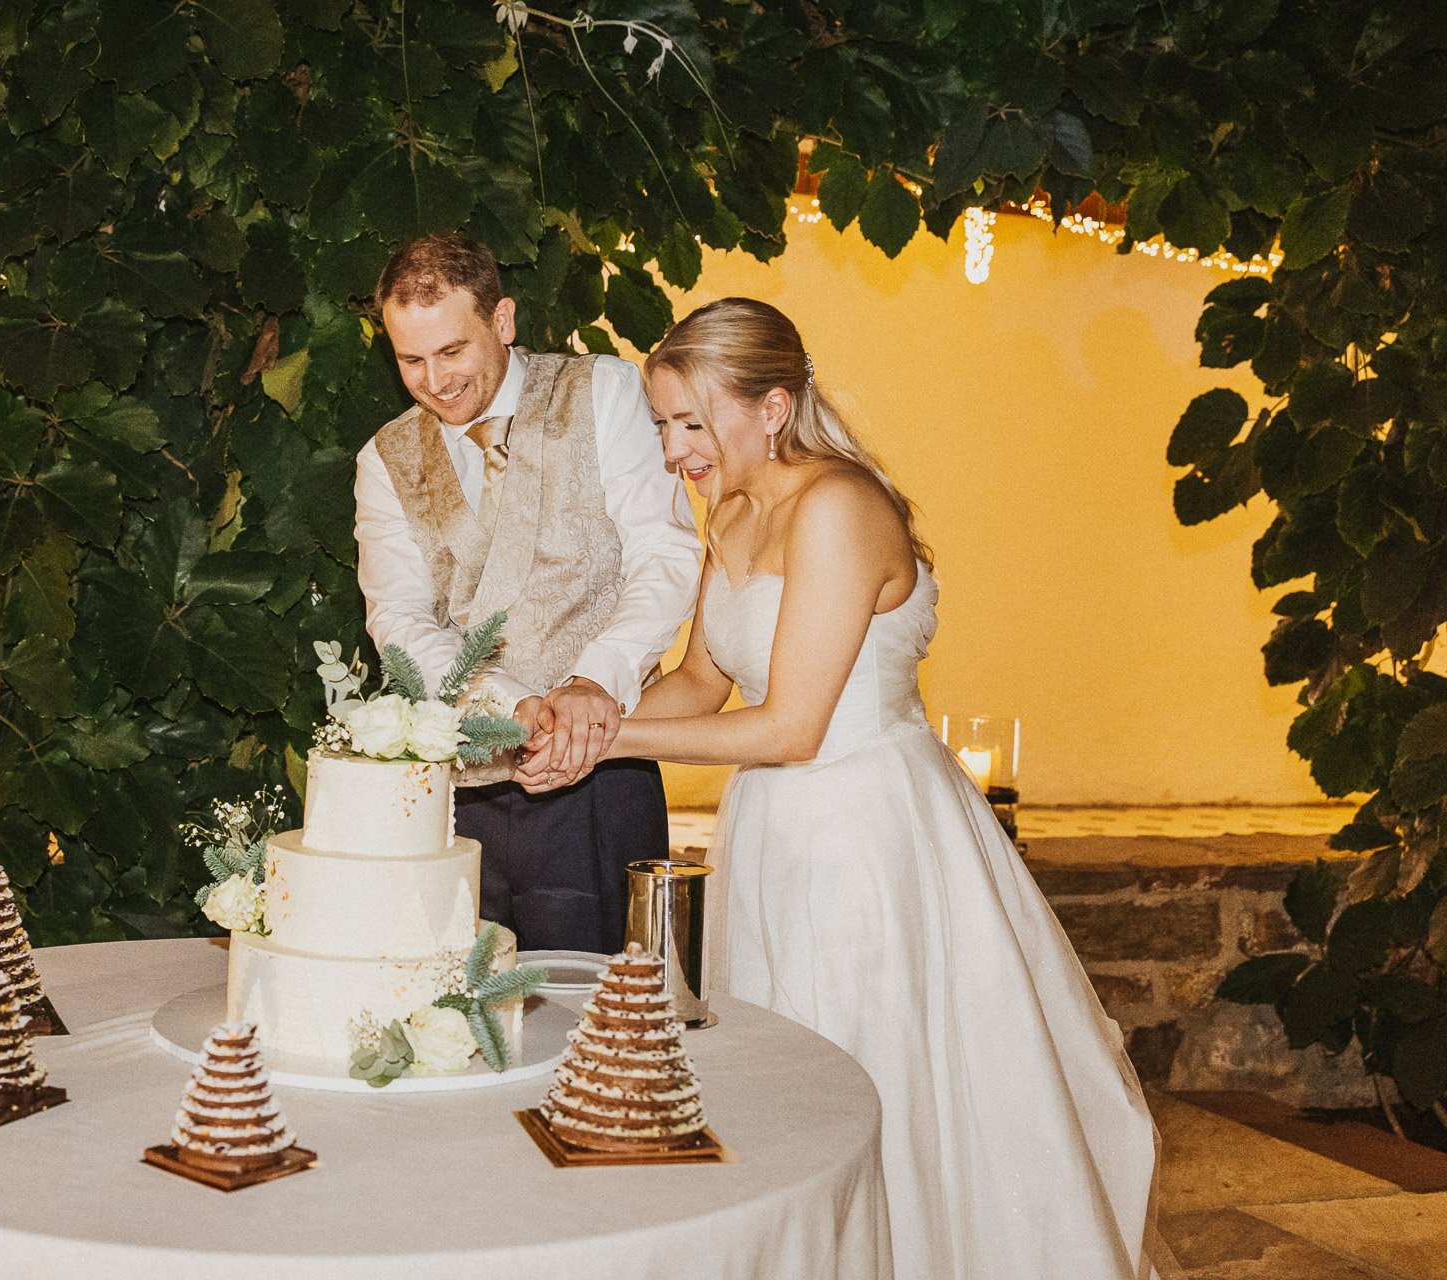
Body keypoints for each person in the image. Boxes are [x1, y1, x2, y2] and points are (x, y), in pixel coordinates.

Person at [519, 298, 1165, 1278]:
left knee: (874, 1083)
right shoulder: (731, 510)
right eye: (661, 425)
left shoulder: (840, 506)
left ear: (772, 405)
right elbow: (702, 680)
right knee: (782, 1085)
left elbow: (791, 723)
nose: (673, 450)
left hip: (873, 837)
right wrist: (586, 701)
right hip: (773, 834)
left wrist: (602, 739)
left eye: (691, 423)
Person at [354, 232, 701, 953]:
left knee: (607, 1023)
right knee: (457, 1014)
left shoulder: (603, 390)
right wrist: (510, 701)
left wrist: (591, 683)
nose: (435, 380)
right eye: (410, 360)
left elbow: (665, 554)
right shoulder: (384, 459)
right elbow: (399, 619)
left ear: (502, 322)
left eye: (453, 352)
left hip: (603, 776)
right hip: (456, 793)